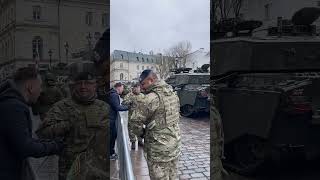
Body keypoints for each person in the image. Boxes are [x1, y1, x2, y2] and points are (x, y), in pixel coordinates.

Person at [36, 62, 110, 180]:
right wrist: (67, 124)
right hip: (72, 172)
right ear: (73, 85)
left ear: (95, 85)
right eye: (79, 83)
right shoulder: (62, 107)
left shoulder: (105, 108)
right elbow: (42, 133)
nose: (83, 87)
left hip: (100, 172)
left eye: (87, 83)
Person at [0, 67, 64, 180]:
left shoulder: (10, 102)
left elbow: (20, 138)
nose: (41, 91)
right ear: (30, 87)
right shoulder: (15, 107)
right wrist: (55, 146)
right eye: (40, 87)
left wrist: (48, 142)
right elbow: (25, 147)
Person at [131, 69, 181, 179]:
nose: (142, 87)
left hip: (158, 151)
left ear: (151, 80)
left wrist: (142, 134)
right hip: (174, 146)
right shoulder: (171, 93)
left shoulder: (150, 98)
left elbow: (135, 122)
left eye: (143, 84)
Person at [122, 83, 145, 150]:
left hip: (140, 117)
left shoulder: (142, 95)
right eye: (136, 88)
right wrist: (129, 102)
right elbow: (123, 103)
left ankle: (140, 141)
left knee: (140, 129)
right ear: (134, 88)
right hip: (132, 116)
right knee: (131, 130)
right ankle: (133, 142)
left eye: (139, 88)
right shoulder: (129, 95)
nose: (138, 89)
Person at [109, 82, 129, 160]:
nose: (122, 90)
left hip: (111, 119)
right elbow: (117, 107)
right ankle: (110, 154)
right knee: (111, 137)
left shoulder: (112, 93)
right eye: (122, 88)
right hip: (110, 120)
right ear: (119, 87)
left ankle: (111, 152)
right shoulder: (114, 95)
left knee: (113, 136)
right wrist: (128, 107)